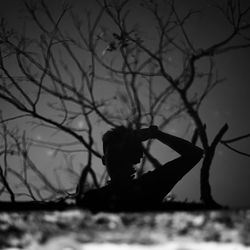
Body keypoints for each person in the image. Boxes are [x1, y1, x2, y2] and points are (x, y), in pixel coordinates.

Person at [77, 125, 203, 212]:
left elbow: (194, 154)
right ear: (104, 160)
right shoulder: (92, 198)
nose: (117, 159)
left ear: (133, 157)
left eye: (122, 152)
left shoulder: (149, 185)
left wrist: (155, 134)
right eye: (114, 153)